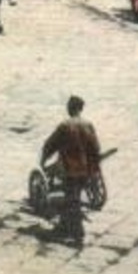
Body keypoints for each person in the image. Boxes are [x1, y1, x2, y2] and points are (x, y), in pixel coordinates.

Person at [40, 96, 101, 246]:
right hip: (86, 169)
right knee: (74, 196)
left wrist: (43, 160)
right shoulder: (88, 124)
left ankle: (76, 232)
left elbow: (50, 145)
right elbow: (96, 147)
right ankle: (65, 225)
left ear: (70, 107)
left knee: (71, 198)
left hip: (71, 168)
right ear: (81, 108)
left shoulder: (64, 125)